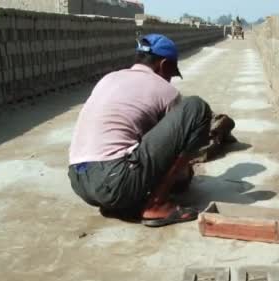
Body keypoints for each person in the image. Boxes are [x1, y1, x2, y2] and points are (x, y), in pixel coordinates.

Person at [68, 34, 212, 227]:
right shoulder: (166, 90)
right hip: (114, 180)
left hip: (79, 182)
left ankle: (120, 201)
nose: (170, 79)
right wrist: (185, 174)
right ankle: (157, 205)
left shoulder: (109, 78)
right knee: (196, 107)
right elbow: (174, 152)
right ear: (164, 65)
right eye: (171, 73)